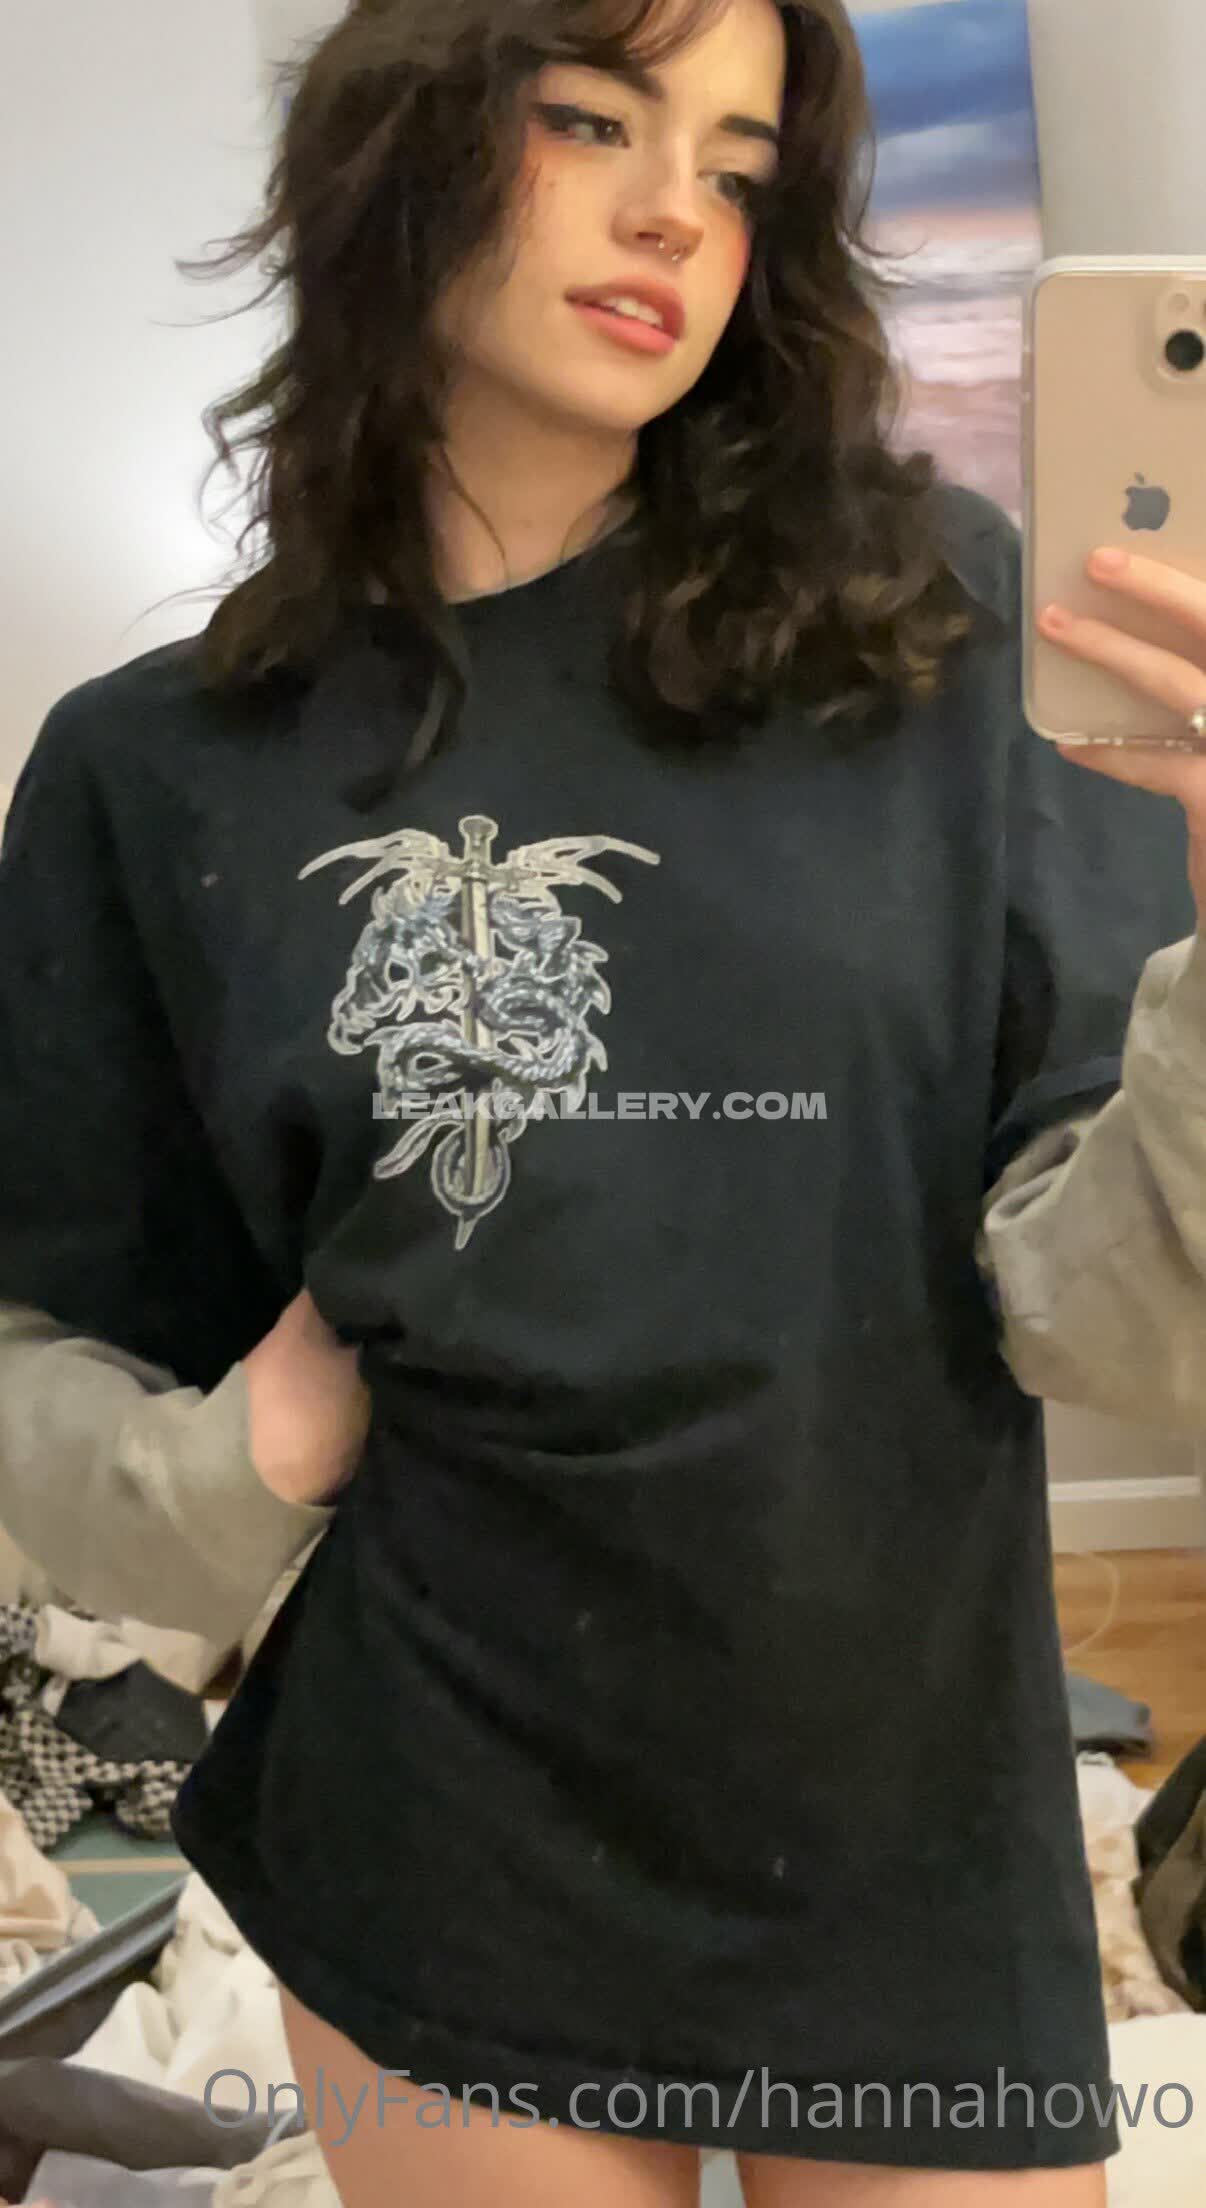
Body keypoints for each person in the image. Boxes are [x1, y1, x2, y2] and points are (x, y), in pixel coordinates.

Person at [3, 0, 1206, 2201]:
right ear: (404, 146)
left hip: (902, 1811)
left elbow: (1117, 1315)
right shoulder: (155, 766)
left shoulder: (940, 637)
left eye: (739, 171)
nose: (676, 213)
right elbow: (47, 1329)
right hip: (443, 1815)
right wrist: (247, 1449)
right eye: (590, 120)